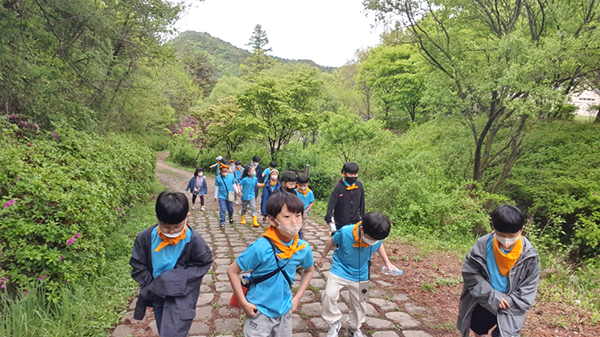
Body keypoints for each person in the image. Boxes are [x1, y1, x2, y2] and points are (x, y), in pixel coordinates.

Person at [227, 192, 315, 337]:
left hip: (284, 310)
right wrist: (243, 303)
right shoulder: (260, 247)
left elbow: (309, 270)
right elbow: (232, 271)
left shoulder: (302, 248)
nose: (294, 222)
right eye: (287, 217)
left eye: (298, 215)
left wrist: (297, 298)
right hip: (259, 311)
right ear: (272, 220)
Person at [130, 191, 213, 337]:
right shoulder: (145, 238)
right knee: (163, 324)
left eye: (177, 227)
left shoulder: (193, 240)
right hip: (157, 292)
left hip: (181, 294)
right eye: (166, 227)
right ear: (157, 218)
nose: (171, 231)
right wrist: (152, 284)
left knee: (174, 331)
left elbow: (203, 262)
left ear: (187, 217)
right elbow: (138, 264)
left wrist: (174, 279)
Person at [457, 204, 540, 337]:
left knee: (507, 333)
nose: (506, 240)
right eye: (501, 235)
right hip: (484, 299)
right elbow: (471, 273)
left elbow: (529, 285)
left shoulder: (529, 256)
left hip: (510, 305)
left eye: (512, 235)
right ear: (493, 227)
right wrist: (493, 296)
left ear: (522, 229)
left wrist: (511, 300)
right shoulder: (482, 246)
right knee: (478, 327)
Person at [316, 212, 396, 337]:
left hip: (362, 274)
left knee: (361, 303)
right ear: (362, 229)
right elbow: (332, 240)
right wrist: (322, 256)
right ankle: (333, 323)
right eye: (372, 239)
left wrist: (388, 263)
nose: (374, 242)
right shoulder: (346, 232)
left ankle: (354, 328)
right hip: (340, 268)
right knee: (329, 295)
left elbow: (379, 245)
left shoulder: (376, 236)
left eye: (377, 240)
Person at [325, 162, 365, 232]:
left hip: (355, 220)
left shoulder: (359, 186)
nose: (353, 176)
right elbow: (332, 202)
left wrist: (363, 217)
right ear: (344, 173)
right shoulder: (339, 187)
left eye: (355, 174)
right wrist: (328, 217)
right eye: (350, 174)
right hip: (341, 221)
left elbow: (362, 202)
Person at [295, 174, 314, 239]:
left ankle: (301, 239)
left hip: (304, 212)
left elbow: (312, 202)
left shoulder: (310, 192)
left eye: (305, 185)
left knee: (302, 226)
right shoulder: (295, 191)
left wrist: (306, 210)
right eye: (301, 185)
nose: (303, 187)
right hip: (296, 212)